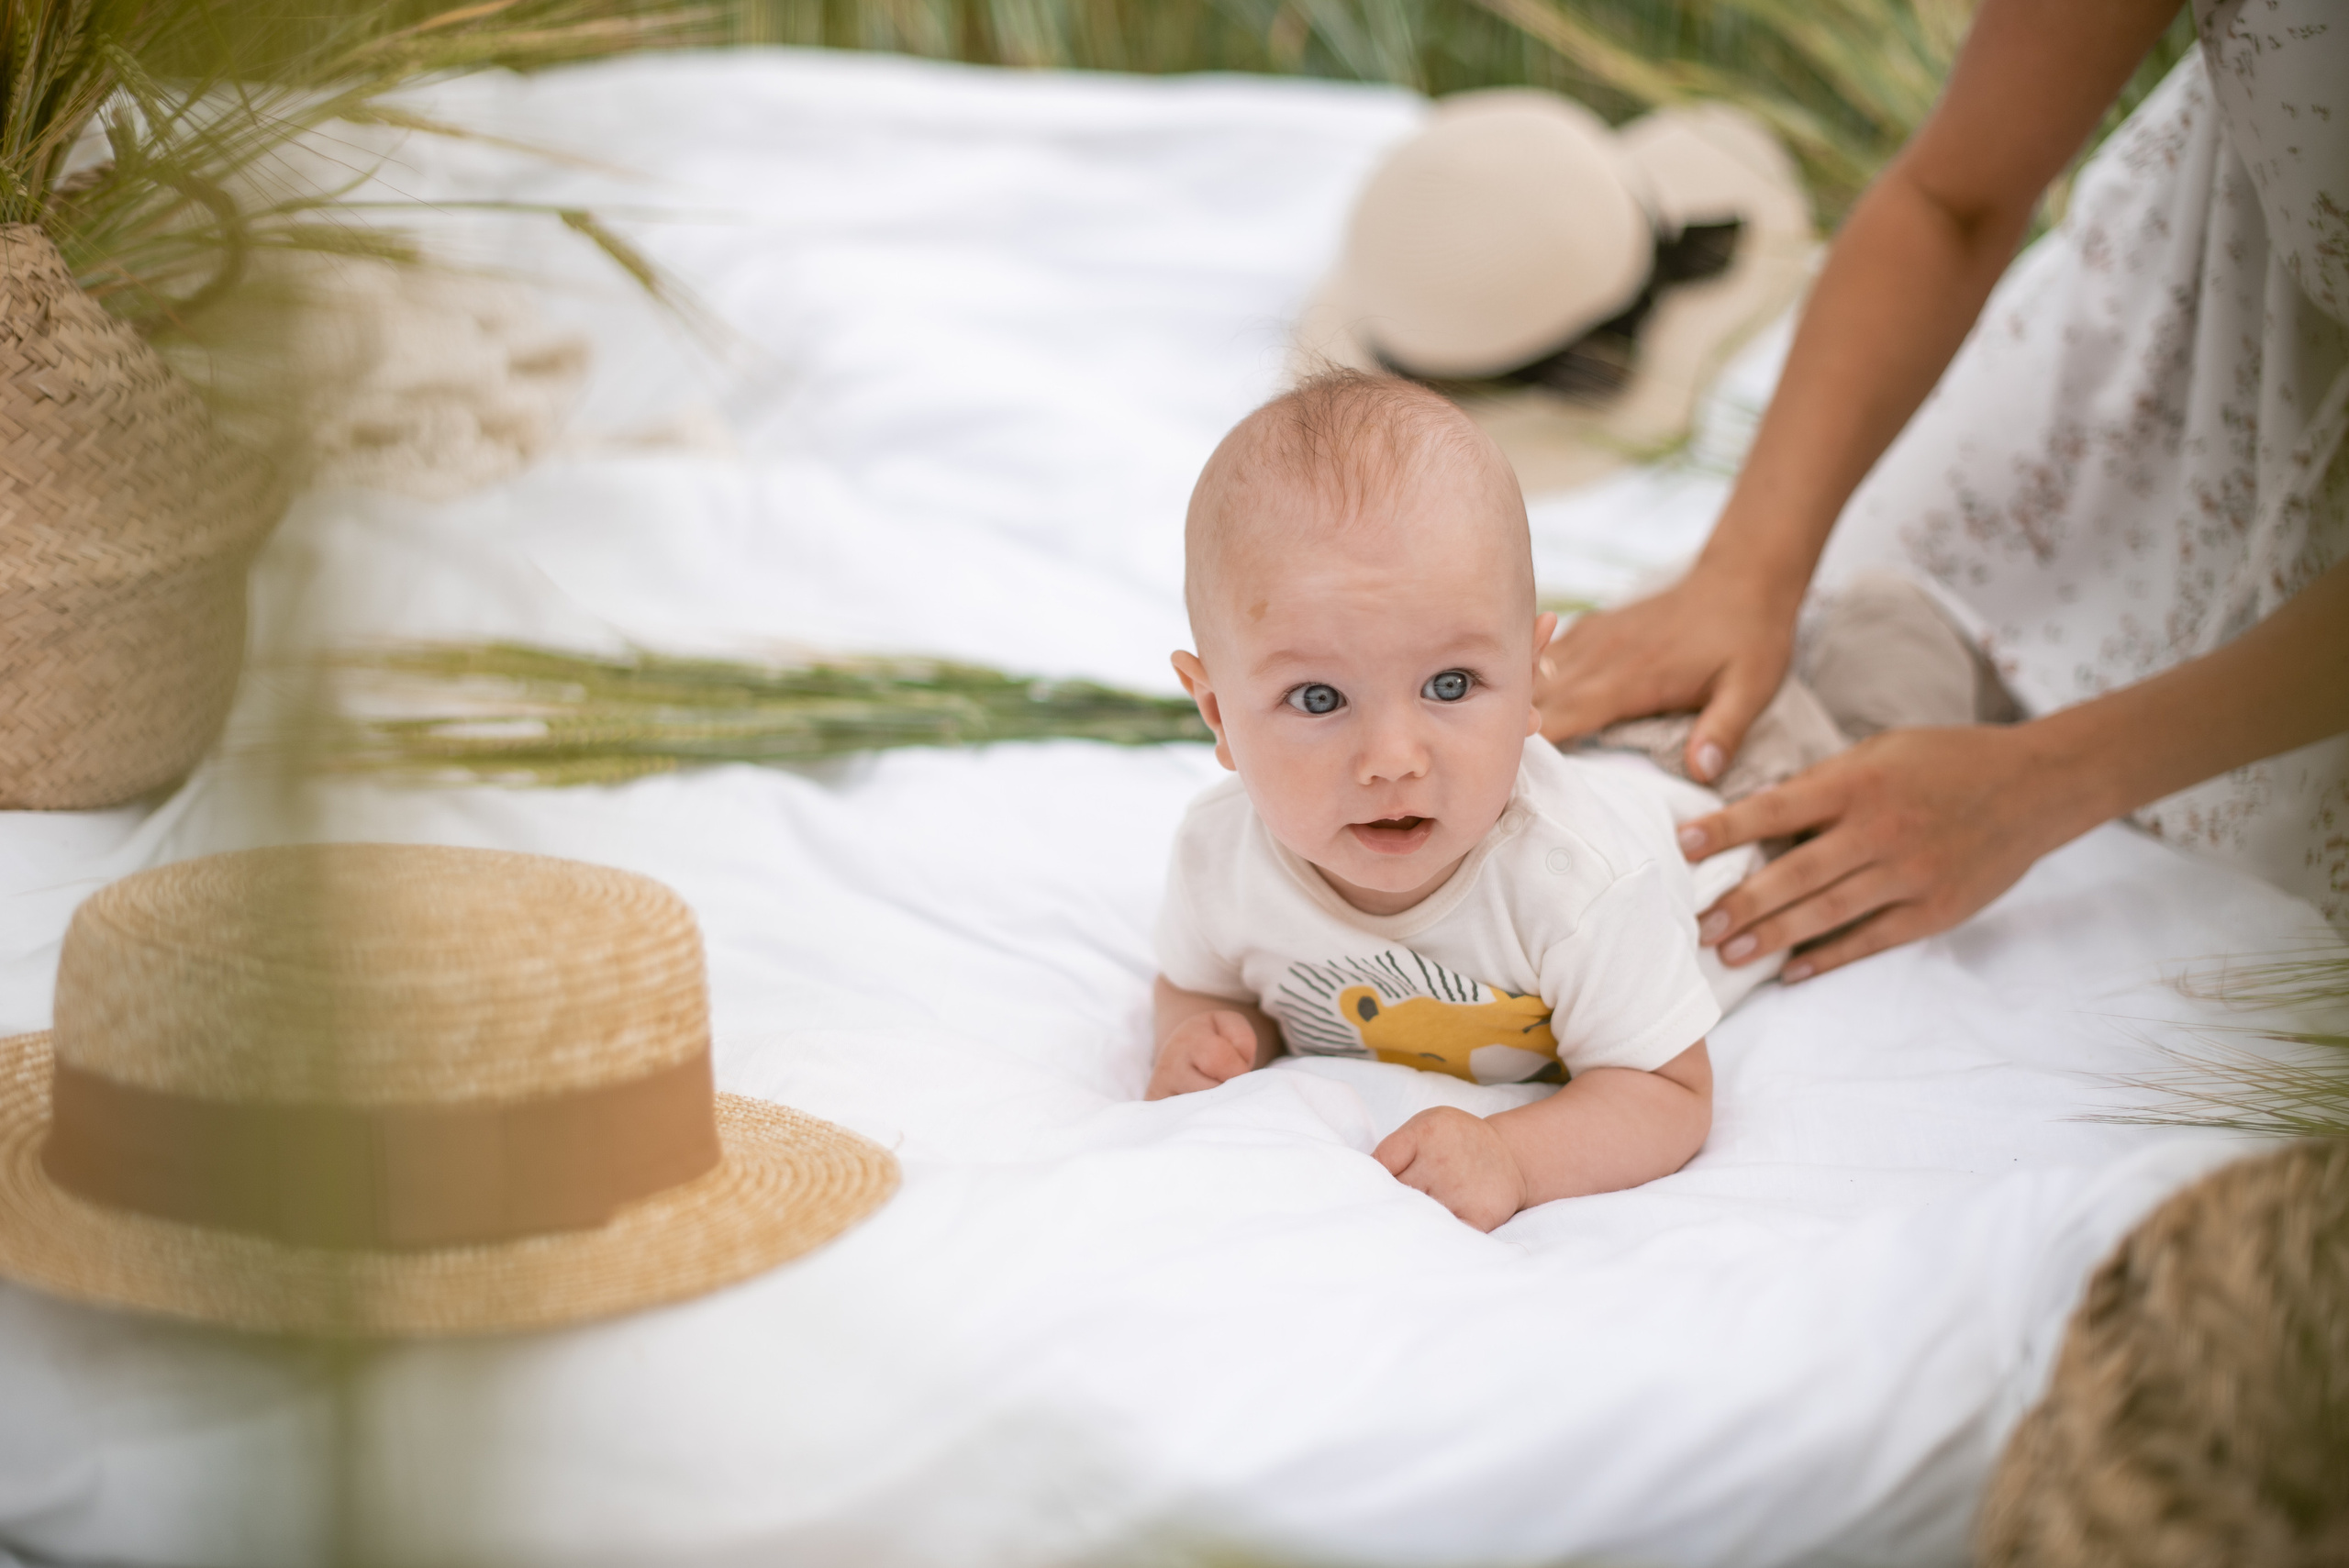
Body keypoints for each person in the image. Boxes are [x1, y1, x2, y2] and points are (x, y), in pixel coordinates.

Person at [1535, 0, 2349, 982]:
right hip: (2178, 348)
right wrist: (1743, 568)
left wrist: (2045, 782)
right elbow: (1952, 191)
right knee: (1822, 634)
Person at [1145, 372, 1774, 1230]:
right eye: (1319, 699)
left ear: (1531, 676)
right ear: (1217, 711)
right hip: (1590, 762)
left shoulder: (1579, 881)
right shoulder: (1218, 856)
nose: (1394, 760)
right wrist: (1206, 1037)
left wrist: (1513, 1155)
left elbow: (1666, 1090)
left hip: (1727, 792)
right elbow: (1196, 985)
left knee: (1878, 668)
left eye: (1451, 682)